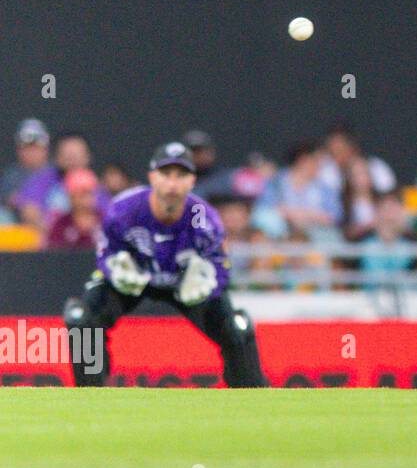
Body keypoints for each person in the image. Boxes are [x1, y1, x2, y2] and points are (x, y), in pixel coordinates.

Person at [61, 142, 267, 387]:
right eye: (165, 174)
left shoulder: (204, 217)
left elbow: (221, 267)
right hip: (135, 277)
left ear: (192, 181)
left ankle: (251, 399)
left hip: (185, 282)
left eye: (181, 175)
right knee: (81, 320)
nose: (172, 184)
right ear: (152, 177)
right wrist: (115, 269)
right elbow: (106, 252)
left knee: (237, 328)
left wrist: (207, 283)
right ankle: (90, 395)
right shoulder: (124, 209)